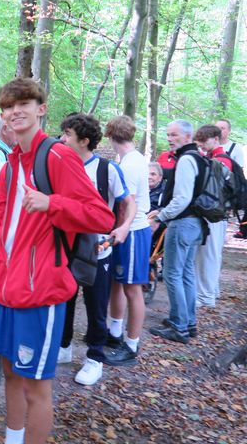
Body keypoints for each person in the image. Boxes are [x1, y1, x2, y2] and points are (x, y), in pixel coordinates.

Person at [0, 78, 115, 444]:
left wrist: (51, 203)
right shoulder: (10, 167)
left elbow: (102, 216)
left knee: (36, 390)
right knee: (11, 376)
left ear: (41, 109)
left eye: (24, 103)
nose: (15, 111)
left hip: (41, 294)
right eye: (9, 107)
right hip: (6, 293)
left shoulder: (56, 156)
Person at [57, 113, 134, 385]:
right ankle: (63, 346)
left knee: (95, 301)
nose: (62, 140)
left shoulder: (107, 169)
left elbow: (128, 202)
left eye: (68, 135)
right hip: (65, 244)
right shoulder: (61, 166)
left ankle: (95, 357)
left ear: (84, 141)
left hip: (98, 247)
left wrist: (123, 228)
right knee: (64, 296)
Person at [103, 116, 151, 366]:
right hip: (126, 230)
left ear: (110, 136)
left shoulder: (130, 164)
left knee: (132, 288)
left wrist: (118, 230)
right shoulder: (131, 159)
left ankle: (131, 345)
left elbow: (127, 204)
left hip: (132, 230)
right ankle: (114, 332)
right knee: (117, 283)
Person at [148, 120, 202, 344]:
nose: (170, 138)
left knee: (172, 273)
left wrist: (160, 216)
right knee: (186, 273)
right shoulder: (199, 158)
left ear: (188, 137)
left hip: (182, 223)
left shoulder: (187, 159)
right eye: (168, 134)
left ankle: (179, 326)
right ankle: (188, 322)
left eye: (175, 135)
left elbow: (182, 198)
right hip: (197, 223)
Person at [193, 125, 232, 308]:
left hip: (215, 215)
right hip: (215, 215)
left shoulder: (221, 160)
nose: (201, 144)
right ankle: (211, 291)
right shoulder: (213, 158)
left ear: (216, 139)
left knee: (209, 255)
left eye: (204, 140)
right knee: (209, 254)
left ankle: (206, 296)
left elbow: (213, 190)